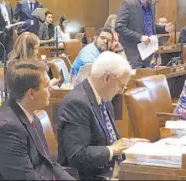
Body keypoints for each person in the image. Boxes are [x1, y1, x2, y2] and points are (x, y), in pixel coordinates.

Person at [0, 60, 74, 180]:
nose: (51, 89)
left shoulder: (31, 115)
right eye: (46, 86)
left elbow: (49, 163)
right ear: (31, 93)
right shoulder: (5, 129)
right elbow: (26, 178)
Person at [57, 52, 148, 180]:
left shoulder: (104, 99)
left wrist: (128, 144)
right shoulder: (77, 103)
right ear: (107, 78)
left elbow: (112, 141)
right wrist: (112, 150)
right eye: (121, 85)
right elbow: (77, 156)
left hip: (111, 171)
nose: (121, 91)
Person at [115, 0, 175, 68]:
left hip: (148, 54)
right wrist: (140, 37)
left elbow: (149, 27)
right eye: (156, 1)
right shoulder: (128, 5)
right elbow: (119, 27)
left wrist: (164, 28)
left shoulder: (151, 7)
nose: (156, 4)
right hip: (133, 54)